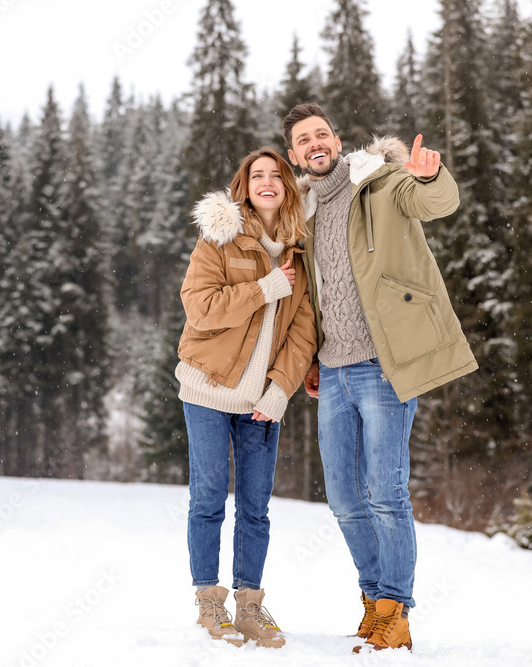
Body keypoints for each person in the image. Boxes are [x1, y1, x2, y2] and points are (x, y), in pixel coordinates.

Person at [281, 103, 478, 652]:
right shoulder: (308, 208)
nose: (315, 143)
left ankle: (397, 610)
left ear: (337, 139)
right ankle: (373, 603)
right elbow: (316, 292)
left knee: (386, 492)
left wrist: (430, 175)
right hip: (336, 371)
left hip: (382, 365)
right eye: (303, 140)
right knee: (344, 498)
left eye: (322, 133)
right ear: (296, 154)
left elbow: (437, 202)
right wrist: (315, 358)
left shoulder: (382, 181)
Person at [176, 147, 317, 649]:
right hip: (208, 388)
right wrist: (264, 288)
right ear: (244, 185)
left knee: (255, 508)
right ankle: (209, 601)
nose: (267, 181)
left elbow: (304, 332)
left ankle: (250, 607)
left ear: (288, 186)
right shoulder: (220, 236)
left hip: (261, 401)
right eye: (256, 175)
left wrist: (280, 390)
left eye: (276, 174)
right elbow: (201, 308)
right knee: (209, 499)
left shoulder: (302, 248)